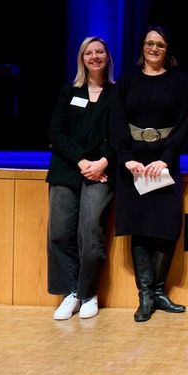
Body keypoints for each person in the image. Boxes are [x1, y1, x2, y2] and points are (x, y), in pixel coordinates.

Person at [111, 26, 188, 322]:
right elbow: (117, 121)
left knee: (166, 227)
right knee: (140, 228)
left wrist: (166, 159)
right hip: (134, 165)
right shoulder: (128, 80)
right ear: (142, 47)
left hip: (164, 164)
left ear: (167, 50)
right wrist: (126, 159)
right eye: (149, 43)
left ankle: (159, 291)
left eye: (160, 44)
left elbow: (184, 124)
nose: (154, 49)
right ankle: (145, 295)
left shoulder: (179, 82)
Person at [47, 36, 115, 320]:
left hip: (102, 171)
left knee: (89, 233)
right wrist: (81, 161)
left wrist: (102, 161)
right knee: (60, 233)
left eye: (100, 52)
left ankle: (88, 293)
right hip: (68, 168)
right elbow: (56, 132)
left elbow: (120, 135)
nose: (94, 56)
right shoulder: (70, 92)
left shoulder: (116, 94)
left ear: (107, 57)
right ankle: (70, 292)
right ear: (82, 59)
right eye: (89, 53)